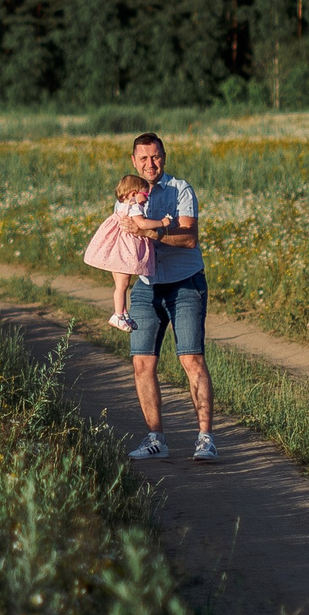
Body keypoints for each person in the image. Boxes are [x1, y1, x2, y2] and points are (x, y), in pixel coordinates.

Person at [115, 132, 216, 463]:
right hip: (147, 284)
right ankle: (155, 439)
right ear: (134, 161)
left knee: (191, 359)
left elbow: (189, 238)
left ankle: (205, 439)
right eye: (143, 158)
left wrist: (150, 231)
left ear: (164, 157)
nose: (150, 164)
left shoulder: (180, 189)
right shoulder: (128, 192)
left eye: (155, 157)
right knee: (142, 363)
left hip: (185, 282)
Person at [82, 172, 164, 329]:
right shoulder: (134, 207)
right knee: (123, 285)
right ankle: (118, 315)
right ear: (134, 194)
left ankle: (124, 313)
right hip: (123, 251)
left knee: (120, 284)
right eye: (146, 194)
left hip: (115, 249)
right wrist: (162, 222)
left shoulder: (120, 204)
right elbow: (143, 224)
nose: (147, 198)